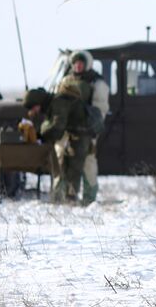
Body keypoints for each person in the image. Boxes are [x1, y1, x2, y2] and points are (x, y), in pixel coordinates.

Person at [23, 85, 89, 204]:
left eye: (34, 108)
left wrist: (42, 135)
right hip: (72, 136)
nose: (34, 111)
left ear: (38, 103)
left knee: (73, 169)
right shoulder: (53, 104)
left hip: (79, 136)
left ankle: (70, 199)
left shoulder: (58, 103)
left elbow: (58, 127)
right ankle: (63, 199)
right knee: (63, 167)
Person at [66, 50, 109, 205]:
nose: (77, 66)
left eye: (81, 63)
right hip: (68, 130)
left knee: (88, 162)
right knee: (67, 163)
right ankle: (69, 196)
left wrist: (91, 129)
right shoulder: (67, 80)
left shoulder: (97, 83)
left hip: (87, 131)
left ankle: (89, 198)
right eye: (75, 63)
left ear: (87, 64)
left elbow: (100, 109)